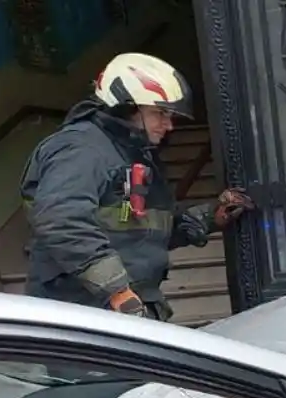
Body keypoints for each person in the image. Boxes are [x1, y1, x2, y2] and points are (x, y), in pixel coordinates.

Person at [19, 52, 254, 321]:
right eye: (159, 114)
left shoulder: (130, 154)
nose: (169, 125)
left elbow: (139, 228)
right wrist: (117, 290)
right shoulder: (81, 148)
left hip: (120, 309)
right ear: (126, 107)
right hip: (84, 313)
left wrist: (210, 216)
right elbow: (60, 220)